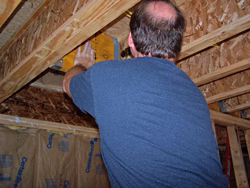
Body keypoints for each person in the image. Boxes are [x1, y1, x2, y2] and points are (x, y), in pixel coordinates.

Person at [63, 0, 228, 187]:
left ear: (130, 39)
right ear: (176, 46)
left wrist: (81, 66)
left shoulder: (106, 75)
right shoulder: (195, 94)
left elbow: (67, 84)